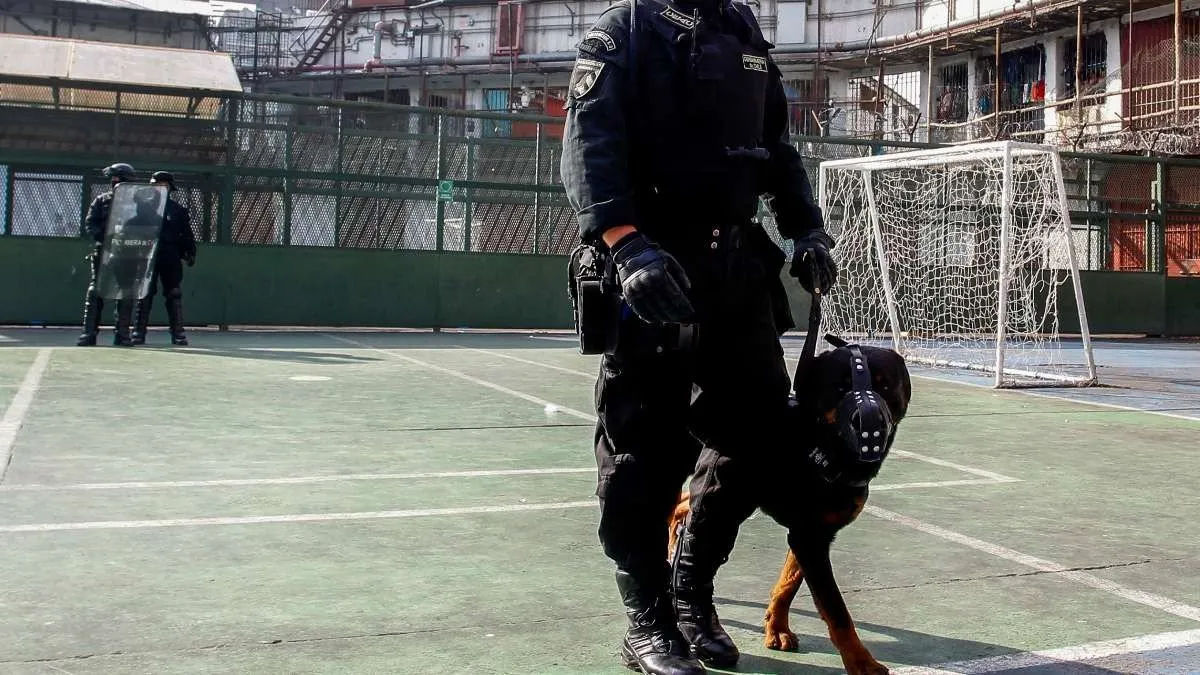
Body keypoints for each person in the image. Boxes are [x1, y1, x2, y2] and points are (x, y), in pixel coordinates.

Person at [559, 0, 839, 673]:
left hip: (735, 269)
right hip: (652, 266)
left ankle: (691, 593)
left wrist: (807, 228)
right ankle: (648, 620)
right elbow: (590, 144)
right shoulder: (624, 31)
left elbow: (775, 148)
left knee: (760, 437)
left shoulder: (742, 32)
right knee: (641, 452)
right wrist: (626, 245)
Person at [132, 171, 196, 346]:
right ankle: (138, 332)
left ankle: (178, 333)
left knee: (174, 292)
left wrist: (190, 251)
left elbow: (186, 234)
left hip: (170, 254)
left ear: (169, 188)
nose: (159, 188)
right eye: (156, 185)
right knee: (144, 292)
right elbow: (134, 228)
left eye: (163, 185)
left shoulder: (177, 210)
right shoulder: (142, 208)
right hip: (147, 253)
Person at [77, 163, 138, 347]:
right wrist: (104, 239)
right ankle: (89, 333)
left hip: (127, 253)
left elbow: (147, 225)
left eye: (118, 178)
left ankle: (122, 334)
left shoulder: (137, 204)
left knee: (126, 292)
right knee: (95, 290)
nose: (114, 181)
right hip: (104, 251)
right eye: (113, 178)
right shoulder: (101, 200)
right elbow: (90, 224)